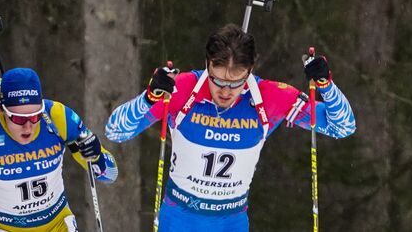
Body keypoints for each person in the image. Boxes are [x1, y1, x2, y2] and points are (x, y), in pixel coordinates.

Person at [105, 24, 355, 231]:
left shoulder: (270, 97)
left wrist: (325, 85)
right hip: (179, 219)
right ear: (207, 64)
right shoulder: (182, 89)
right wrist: (149, 98)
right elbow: (115, 131)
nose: (225, 91)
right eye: (217, 80)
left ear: (250, 70)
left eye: (236, 82)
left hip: (230, 222)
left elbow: (343, 126)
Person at [0, 67, 118, 231]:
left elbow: (109, 174)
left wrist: (97, 155)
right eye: (18, 119)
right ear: (1, 109)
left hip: (56, 225)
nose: (28, 126)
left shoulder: (58, 118)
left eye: (35, 116)